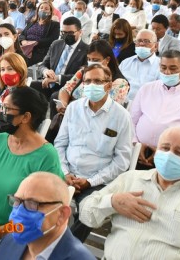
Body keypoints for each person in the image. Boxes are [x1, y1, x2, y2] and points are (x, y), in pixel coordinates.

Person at [78, 126, 180, 260]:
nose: (169, 155)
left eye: (179, 153)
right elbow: (85, 214)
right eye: (165, 148)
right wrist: (112, 202)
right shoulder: (130, 180)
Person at [54, 64, 132, 241]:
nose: (91, 85)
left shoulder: (121, 117)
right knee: (37, 197)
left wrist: (90, 181)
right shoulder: (73, 108)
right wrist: (65, 172)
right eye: (87, 81)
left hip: (97, 181)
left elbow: (122, 161)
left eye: (97, 81)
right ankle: (40, 242)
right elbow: (60, 144)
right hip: (66, 174)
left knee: (90, 211)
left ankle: (65, 248)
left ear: (108, 85)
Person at [0, 87, 62, 249]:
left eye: (7, 109)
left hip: (14, 237)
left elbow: (43, 212)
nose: (1, 113)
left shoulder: (46, 156)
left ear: (25, 117)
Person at [130, 50, 180, 169]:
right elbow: (132, 120)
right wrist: (136, 144)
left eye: (173, 68)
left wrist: (168, 150)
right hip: (138, 152)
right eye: (163, 68)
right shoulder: (147, 89)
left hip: (172, 157)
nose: (167, 72)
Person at [0, 171, 95, 260]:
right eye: (16, 201)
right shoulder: (8, 243)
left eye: (32, 204)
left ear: (62, 215)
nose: (19, 211)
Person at [34, 18, 88, 102]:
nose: (66, 35)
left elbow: (82, 75)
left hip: (68, 86)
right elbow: (43, 65)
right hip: (48, 82)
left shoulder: (86, 50)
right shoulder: (56, 44)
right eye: (64, 32)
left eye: (70, 33)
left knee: (54, 96)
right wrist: (46, 71)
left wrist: (57, 78)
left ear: (80, 32)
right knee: (29, 87)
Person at [120, 29, 160, 100]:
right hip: (123, 103)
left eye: (146, 41)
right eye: (139, 41)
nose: (141, 44)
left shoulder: (161, 66)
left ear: (156, 46)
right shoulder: (125, 63)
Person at [19, 0, 60, 67]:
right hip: (26, 48)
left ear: (50, 12)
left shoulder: (54, 24)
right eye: (41, 8)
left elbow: (53, 38)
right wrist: (23, 41)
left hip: (40, 51)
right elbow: (22, 34)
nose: (43, 10)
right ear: (38, 10)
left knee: (23, 61)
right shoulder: (31, 22)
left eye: (46, 9)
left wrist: (36, 42)